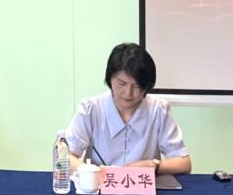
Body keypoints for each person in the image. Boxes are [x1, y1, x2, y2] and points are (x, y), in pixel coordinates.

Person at [64, 42, 192, 174]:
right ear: (110, 78)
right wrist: (91, 171)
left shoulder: (158, 110)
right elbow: (64, 157)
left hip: (143, 186)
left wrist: (153, 166)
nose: (128, 93)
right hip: (100, 185)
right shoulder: (91, 109)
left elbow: (184, 163)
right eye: (121, 83)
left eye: (137, 86)